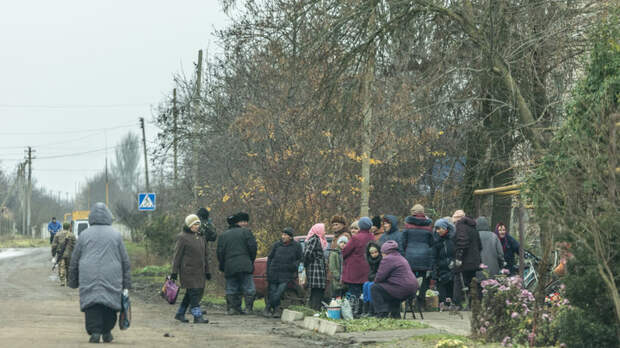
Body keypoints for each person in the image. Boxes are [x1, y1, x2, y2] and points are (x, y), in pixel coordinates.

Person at [68, 203, 131, 344]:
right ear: (109, 216)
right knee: (110, 303)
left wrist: (73, 280)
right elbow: (125, 261)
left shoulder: (84, 235)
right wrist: (127, 283)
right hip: (112, 275)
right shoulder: (116, 235)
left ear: (91, 217)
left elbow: (74, 260)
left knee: (92, 304)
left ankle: (95, 332)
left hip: (88, 275)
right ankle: (107, 331)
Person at [170, 214, 210, 324]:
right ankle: (198, 316)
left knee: (190, 293)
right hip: (188, 271)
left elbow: (205, 255)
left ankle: (180, 314)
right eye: (194, 224)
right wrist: (174, 272)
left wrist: (207, 271)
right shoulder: (182, 237)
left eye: (198, 224)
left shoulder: (201, 237)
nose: (197, 226)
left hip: (200, 271)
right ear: (189, 225)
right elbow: (177, 256)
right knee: (194, 293)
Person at [217, 212, 258, 315]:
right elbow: (253, 248)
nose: (245, 223)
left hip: (229, 265)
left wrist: (223, 265)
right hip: (245, 264)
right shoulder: (246, 232)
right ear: (237, 223)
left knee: (231, 287)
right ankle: (248, 309)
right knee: (249, 287)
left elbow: (220, 253)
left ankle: (232, 309)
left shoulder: (223, 235)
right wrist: (250, 260)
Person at [371, 240, 419, 318]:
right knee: (391, 290)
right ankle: (395, 315)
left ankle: (382, 313)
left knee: (374, 288)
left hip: (402, 289)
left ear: (385, 252)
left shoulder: (387, 259)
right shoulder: (401, 257)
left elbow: (379, 278)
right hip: (412, 288)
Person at [400, 204, 434, 309]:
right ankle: (421, 301)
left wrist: (403, 254)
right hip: (425, 256)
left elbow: (403, 242)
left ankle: (409, 302)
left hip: (410, 256)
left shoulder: (407, 226)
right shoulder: (428, 227)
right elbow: (432, 243)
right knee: (424, 279)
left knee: (410, 279)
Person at [264, 227, 302, 317]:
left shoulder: (296, 246)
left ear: (290, 237)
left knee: (279, 292)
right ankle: (276, 310)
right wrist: (268, 271)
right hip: (274, 271)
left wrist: (293, 266)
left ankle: (268, 307)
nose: (283, 236)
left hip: (286, 274)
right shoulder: (277, 245)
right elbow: (270, 257)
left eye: (285, 235)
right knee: (272, 292)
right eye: (283, 234)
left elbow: (300, 259)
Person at [342, 216, 375, 317]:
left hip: (354, 270)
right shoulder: (372, 237)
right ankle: (363, 311)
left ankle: (353, 312)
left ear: (360, 226)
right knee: (363, 293)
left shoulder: (356, 238)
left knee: (353, 293)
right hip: (367, 269)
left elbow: (345, 251)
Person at [453, 214, 481, 308]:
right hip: (474, 260)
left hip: (464, 261)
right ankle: (471, 303)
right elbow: (479, 245)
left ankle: (458, 304)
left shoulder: (460, 227)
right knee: (471, 283)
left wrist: (459, 258)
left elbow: (462, 243)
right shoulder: (473, 228)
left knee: (459, 281)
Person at [303, 223, 328, 310]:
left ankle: (314, 308)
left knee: (317, 290)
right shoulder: (314, 239)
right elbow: (307, 254)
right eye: (323, 230)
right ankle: (314, 309)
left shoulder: (319, 239)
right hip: (315, 269)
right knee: (316, 290)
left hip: (318, 268)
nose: (324, 232)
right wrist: (314, 260)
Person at [431, 218, 456, 304]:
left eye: (439, 228)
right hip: (440, 271)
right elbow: (434, 257)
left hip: (452, 270)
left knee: (451, 292)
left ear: (445, 228)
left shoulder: (453, 239)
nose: (437, 231)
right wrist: (434, 271)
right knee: (442, 295)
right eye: (436, 229)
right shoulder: (436, 241)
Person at [51, 222, 76, 287]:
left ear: (63, 227)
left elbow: (54, 245)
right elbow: (76, 245)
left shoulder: (57, 234)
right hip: (70, 254)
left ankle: (62, 281)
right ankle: (68, 280)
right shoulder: (72, 235)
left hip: (60, 254)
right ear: (69, 227)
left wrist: (53, 254)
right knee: (68, 267)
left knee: (61, 267)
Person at [362, 241, 382, 316]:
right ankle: (366, 309)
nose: (374, 254)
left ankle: (372, 310)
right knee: (365, 285)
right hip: (373, 278)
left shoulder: (381, 259)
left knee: (370, 286)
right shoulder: (371, 260)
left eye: (375, 252)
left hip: (380, 280)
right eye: (372, 253)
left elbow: (380, 272)